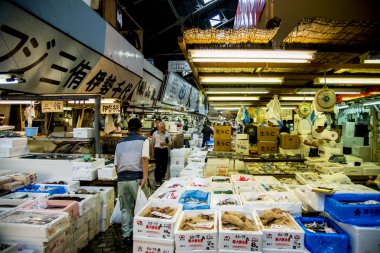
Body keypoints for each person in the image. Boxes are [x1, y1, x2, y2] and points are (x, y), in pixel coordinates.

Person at [114, 118, 150, 245]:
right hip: (138, 179)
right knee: (144, 206)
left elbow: (116, 164)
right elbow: (144, 159)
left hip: (122, 180)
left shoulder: (119, 143)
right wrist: (145, 177)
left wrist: (121, 178)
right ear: (140, 129)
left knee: (126, 209)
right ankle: (143, 232)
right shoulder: (143, 140)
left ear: (128, 129)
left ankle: (127, 235)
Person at [152, 122, 171, 186]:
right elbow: (153, 143)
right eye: (161, 128)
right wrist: (152, 152)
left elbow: (170, 143)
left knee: (164, 165)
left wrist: (165, 144)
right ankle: (158, 180)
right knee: (157, 166)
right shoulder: (155, 134)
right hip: (157, 150)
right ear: (158, 128)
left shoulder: (167, 134)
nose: (162, 129)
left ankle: (162, 176)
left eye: (163, 127)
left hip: (164, 150)